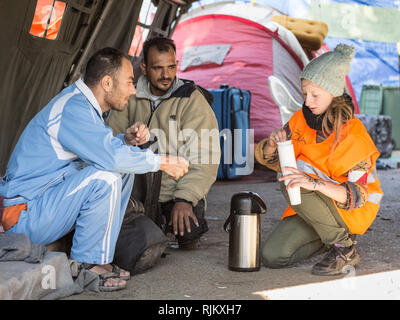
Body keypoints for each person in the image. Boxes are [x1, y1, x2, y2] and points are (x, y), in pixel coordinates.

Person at [0, 47, 189, 291]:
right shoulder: (73, 108)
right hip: (25, 215)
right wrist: (162, 162)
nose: (133, 90)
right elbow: (107, 158)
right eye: (130, 82)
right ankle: (87, 265)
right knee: (106, 176)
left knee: (120, 169)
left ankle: (101, 256)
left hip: (44, 205)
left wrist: (125, 142)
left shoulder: (84, 107)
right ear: (107, 83)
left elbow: (100, 151)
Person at [255, 44, 383, 275]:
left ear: (333, 93)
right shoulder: (299, 120)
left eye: (315, 95)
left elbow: (357, 197)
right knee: (272, 256)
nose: (307, 101)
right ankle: (330, 237)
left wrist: (312, 183)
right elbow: (275, 161)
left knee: (291, 181)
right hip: (313, 208)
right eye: (305, 94)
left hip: (349, 212)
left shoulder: (354, 135)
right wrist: (273, 145)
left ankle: (344, 248)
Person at [107, 37, 220, 250]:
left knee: (189, 233)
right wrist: (128, 139)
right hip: (137, 189)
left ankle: (174, 212)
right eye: (158, 68)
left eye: (171, 67)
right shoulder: (129, 97)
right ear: (144, 67)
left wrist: (185, 199)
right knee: (135, 243)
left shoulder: (192, 100)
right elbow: (111, 140)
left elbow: (206, 157)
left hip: (174, 190)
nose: (166, 75)